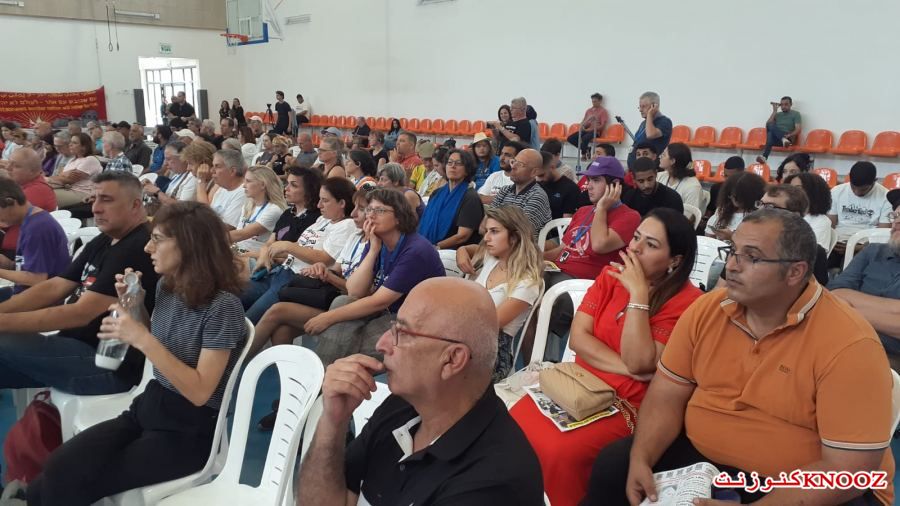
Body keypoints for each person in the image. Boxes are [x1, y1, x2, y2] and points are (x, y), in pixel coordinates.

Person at [585, 209, 894, 506]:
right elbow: (666, 394)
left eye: (752, 257)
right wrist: (642, 458)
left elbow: (849, 470)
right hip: (706, 461)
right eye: (732, 251)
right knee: (616, 466)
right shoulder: (707, 310)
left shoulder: (849, 344)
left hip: (800, 484)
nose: (731, 266)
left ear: (795, 272)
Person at [26, 201, 247, 506]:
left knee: (72, 481)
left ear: (189, 244)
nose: (147, 248)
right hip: (149, 407)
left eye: (157, 239)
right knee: (57, 468)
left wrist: (140, 337)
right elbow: (162, 346)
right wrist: (136, 307)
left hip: (187, 432)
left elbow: (199, 392)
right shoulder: (169, 287)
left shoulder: (223, 307)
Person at [298, 277, 544, 505]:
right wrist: (334, 421)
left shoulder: (491, 483)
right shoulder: (404, 406)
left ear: (452, 359)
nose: (381, 344)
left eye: (402, 333)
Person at [514, 208, 701, 505]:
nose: (635, 248)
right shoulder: (610, 276)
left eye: (651, 244)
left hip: (627, 403)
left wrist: (638, 295)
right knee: (515, 423)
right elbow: (579, 339)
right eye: (636, 237)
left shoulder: (689, 303)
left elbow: (640, 360)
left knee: (561, 451)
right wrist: (628, 368)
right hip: (578, 383)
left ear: (675, 261)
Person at [0, 171, 158, 394]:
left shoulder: (136, 248)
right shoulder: (107, 238)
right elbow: (55, 286)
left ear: (135, 205)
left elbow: (80, 314)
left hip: (106, 365)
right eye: (94, 199)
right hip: (74, 347)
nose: (95, 208)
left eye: (106, 200)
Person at [303, 188, 445, 366]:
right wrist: (373, 251)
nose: (370, 215)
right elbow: (354, 291)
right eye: (369, 209)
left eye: (380, 210)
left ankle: (323, 375)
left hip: (418, 320)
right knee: (342, 302)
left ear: (399, 217)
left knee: (349, 341)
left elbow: (380, 301)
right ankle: (327, 374)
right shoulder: (378, 241)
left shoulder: (416, 250)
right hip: (389, 311)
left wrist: (327, 318)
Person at [250, 189, 368, 356]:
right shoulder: (355, 237)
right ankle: (280, 371)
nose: (354, 213)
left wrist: (328, 275)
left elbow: (357, 292)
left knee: (276, 310)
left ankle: (236, 362)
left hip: (342, 303)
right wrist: (321, 270)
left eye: (361, 209)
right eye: (355, 207)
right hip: (324, 290)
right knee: (282, 330)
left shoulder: (366, 240)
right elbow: (336, 269)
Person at [241, 177, 356, 324]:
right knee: (233, 299)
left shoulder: (347, 225)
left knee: (249, 320)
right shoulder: (323, 219)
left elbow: (324, 258)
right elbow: (301, 246)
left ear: (342, 203)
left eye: (325, 200)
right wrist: (265, 253)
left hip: (296, 280)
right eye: (319, 199)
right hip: (279, 271)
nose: (319, 205)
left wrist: (288, 246)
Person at [456, 206, 543, 381]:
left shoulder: (527, 282)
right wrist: (461, 251)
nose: (486, 238)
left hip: (493, 353)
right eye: (487, 231)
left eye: (494, 232)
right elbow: (471, 249)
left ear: (514, 236)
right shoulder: (491, 258)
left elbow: (490, 324)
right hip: (465, 335)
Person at [829, 189, 900, 369]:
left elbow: (839, 306)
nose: (896, 222)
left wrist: (850, 307)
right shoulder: (873, 251)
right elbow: (834, 295)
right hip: (843, 340)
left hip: (891, 356)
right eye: (895, 215)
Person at [0, 179, 69, 301]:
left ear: (10, 202)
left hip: (38, 300)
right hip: (26, 292)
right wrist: (8, 264)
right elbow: (27, 267)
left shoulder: (37, 228)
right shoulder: (31, 220)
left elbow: (36, 279)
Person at [418, 149, 484, 249]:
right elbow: (425, 223)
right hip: (428, 246)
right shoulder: (436, 193)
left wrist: (435, 247)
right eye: (449, 163)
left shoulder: (470, 198)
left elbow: (462, 236)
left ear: (467, 170)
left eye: (458, 163)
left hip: (453, 251)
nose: (453, 166)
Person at [0, 148, 57, 259]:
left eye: (16, 166)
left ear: (33, 171)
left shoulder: (37, 190)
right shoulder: (23, 185)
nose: (8, 168)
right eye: (9, 162)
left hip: (20, 251)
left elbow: (4, 220)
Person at [489, 148, 552, 239]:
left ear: (534, 172)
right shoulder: (504, 190)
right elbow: (485, 224)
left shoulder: (537, 196)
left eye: (520, 164)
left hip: (521, 246)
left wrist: (496, 225)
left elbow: (519, 233)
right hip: (497, 241)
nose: (513, 167)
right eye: (513, 162)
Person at [828, 161, 892, 246]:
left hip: (867, 243)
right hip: (839, 240)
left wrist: (862, 248)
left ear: (874, 181)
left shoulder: (886, 197)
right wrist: (831, 243)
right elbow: (830, 225)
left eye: (863, 190)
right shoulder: (836, 191)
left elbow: (882, 232)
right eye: (853, 187)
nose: (857, 192)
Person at [229, 166, 288, 255]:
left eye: (248, 181)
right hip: (240, 253)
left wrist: (211, 236)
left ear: (263, 185)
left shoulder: (274, 209)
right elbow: (238, 234)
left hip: (257, 257)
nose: (244, 185)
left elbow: (241, 234)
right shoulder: (248, 205)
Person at [705, 171, 767, 241]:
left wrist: (732, 237)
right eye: (730, 194)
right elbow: (709, 236)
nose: (731, 198)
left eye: (737, 196)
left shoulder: (758, 216)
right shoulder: (724, 209)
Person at [48, 132, 102, 209]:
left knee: (46, 195)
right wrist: (64, 174)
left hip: (82, 193)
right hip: (68, 189)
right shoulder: (72, 160)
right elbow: (61, 175)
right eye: (70, 142)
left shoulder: (90, 159)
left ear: (84, 147)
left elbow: (70, 180)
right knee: (42, 190)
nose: (70, 144)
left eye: (74, 143)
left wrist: (54, 177)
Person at [198, 149, 247, 229]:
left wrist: (201, 182)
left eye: (217, 166)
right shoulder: (222, 188)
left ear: (232, 171)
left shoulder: (243, 192)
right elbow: (205, 211)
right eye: (213, 166)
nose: (212, 170)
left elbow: (226, 228)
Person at [786, 171, 834, 250]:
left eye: (797, 188)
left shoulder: (821, 221)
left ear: (813, 191)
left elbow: (813, 252)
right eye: (790, 188)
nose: (791, 192)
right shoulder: (786, 214)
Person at [626, 92, 673, 170]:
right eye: (640, 107)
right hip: (636, 168)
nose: (640, 110)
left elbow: (650, 135)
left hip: (650, 169)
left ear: (654, 106)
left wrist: (650, 114)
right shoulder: (644, 123)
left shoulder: (664, 121)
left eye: (644, 106)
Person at [143, 140, 195, 205]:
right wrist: (152, 190)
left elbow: (183, 207)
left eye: (168, 159)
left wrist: (157, 192)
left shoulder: (192, 178)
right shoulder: (178, 174)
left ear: (183, 158)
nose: (165, 163)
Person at [536, 149, 582, 219]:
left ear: (552, 167)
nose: (539, 179)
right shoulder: (536, 184)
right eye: (536, 175)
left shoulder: (571, 189)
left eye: (541, 175)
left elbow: (566, 221)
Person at [656, 142, 702, 210]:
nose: (660, 157)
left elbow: (690, 214)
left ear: (672, 161)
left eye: (663, 155)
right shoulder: (659, 176)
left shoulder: (692, 187)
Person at [757, 96, 802, 164]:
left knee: (770, 133)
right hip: (779, 140)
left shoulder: (796, 114)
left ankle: (764, 157)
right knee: (770, 127)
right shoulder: (778, 114)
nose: (783, 106)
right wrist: (774, 111)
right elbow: (768, 125)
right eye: (782, 104)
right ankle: (783, 139)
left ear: (791, 104)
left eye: (786, 104)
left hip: (788, 139)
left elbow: (798, 129)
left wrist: (790, 135)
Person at [568, 92, 609, 160]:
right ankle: (586, 149)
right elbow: (584, 121)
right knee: (570, 138)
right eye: (592, 101)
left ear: (600, 101)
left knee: (584, 138)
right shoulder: (588, 111)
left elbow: (602, 125)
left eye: (595, 101)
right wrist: (583, 126)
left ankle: (583, 154)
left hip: (595, 131)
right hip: (586, 130)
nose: (593, 103)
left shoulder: (603, 111)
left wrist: (591, 129)